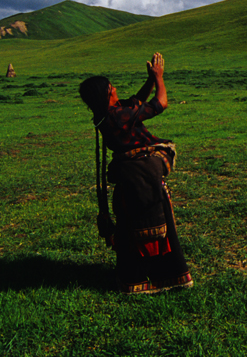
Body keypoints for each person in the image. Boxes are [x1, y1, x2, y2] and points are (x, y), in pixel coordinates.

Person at [78, 52, 193, 294]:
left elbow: (135, 104)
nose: (116, 88)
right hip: (142, 177)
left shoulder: (106, 115)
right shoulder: (116, 117)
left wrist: (149, 80)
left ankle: (136, 278)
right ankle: (163, 278)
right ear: (107, 94)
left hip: (131, 177)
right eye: (112, 87)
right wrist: (160, 79)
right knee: (153, 225)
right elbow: (160, 103)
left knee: (132, 228)